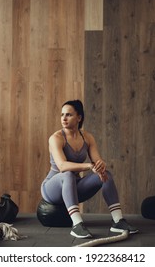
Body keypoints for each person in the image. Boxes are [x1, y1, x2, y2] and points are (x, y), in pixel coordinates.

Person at [41, 100, 138, 238]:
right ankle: (77, 225)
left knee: (106, 174)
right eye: (62, 114)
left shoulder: (87, 137)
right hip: (52, 188)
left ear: (79, 117)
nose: (63, 118)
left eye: (68, 115)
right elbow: (62, 166)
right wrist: (88, 166)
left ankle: (118, 221)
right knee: (67, 174)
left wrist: (100, 166)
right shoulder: (56, 138)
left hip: (74, 187)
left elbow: (97, 161)